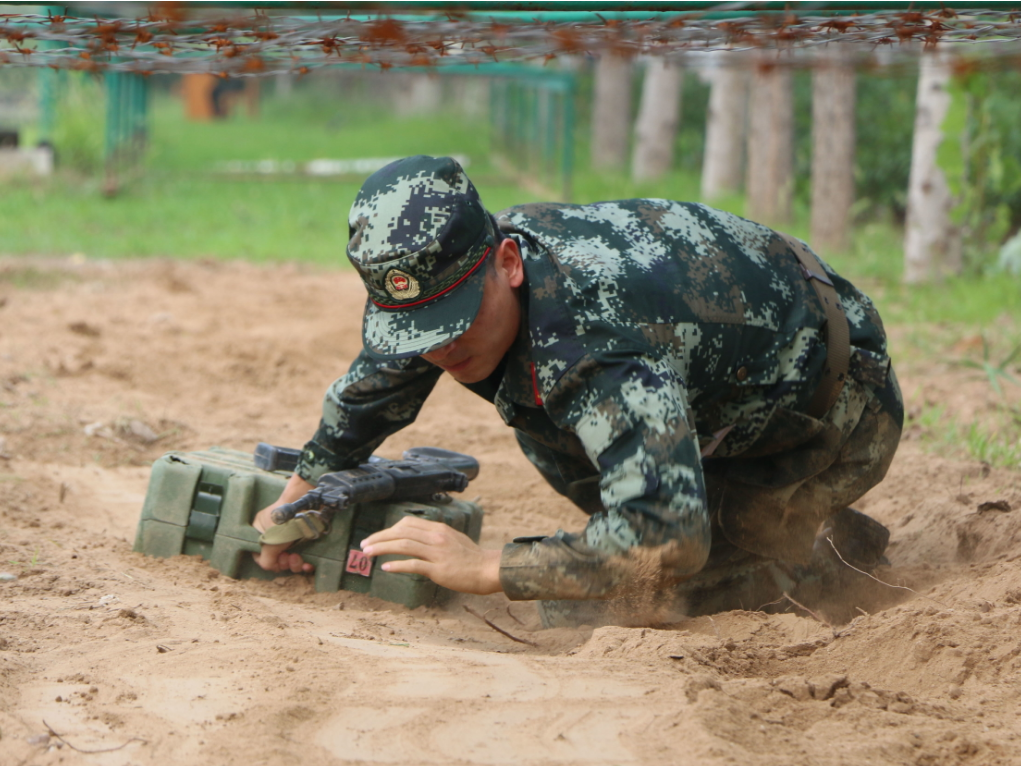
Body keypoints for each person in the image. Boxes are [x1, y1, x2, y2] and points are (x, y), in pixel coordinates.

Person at [252, 155, 902, 627]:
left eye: (450, 321)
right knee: (552, 421)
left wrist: (488, 569)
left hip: (834, 400)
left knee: (631, 593)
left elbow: (664, 536)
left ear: (507, 263)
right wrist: (301, 494)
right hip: (737, 363)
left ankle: (806, 546)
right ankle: (733, 507)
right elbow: (375, 384)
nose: (438, 348)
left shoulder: (595, 343)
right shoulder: (460, 264)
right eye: (415, 327)